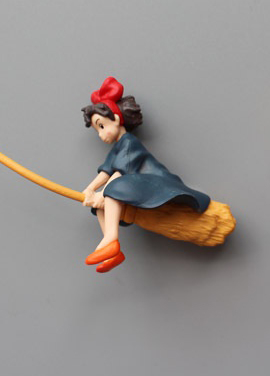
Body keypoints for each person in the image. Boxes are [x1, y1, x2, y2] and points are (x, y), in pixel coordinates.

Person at [81, 77, 210, 272]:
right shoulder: (117, 148)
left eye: (101, 126)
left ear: (116, 119)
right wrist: (90, 190)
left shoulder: (129, 143)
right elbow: (107, 170)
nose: (100, 134)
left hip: (155, 183)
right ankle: (111, 248)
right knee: (100, 207)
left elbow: (120, 172)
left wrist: (103, 193)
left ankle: (111, 239)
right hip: (137, 185)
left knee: (112, 190)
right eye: (96, 130)